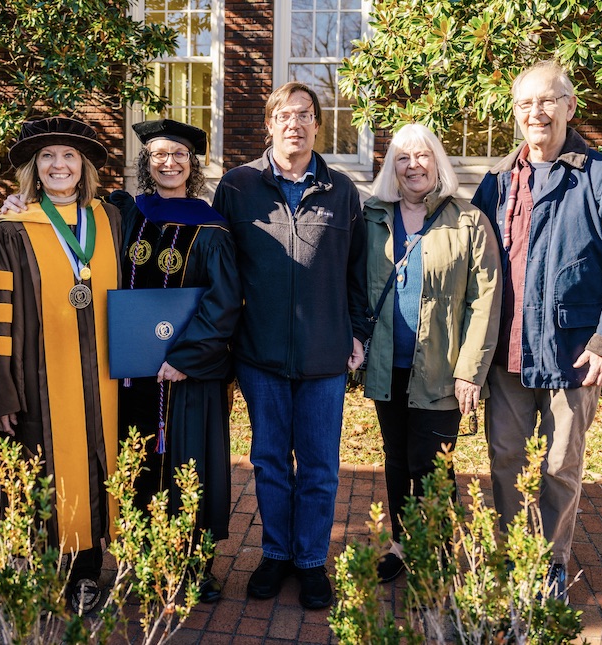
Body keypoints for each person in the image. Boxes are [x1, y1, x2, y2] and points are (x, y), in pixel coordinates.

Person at [471, 60, 602, 599]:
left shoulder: (601, 175)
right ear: (515, 114)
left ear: (570, 107)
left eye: (547, 101)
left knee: (561, 465)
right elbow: (474, 267)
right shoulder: (497, 182)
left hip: (573, 353)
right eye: (525, 104)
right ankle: (511, 561)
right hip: (508, 353)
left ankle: (549, 567)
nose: (536, 112)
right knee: (505, 460)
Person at [0, 116, 124, 616]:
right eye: (47, 156)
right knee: (43, 470)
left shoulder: (111, 219)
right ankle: (43, 575)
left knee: (98, 469)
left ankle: (88, 574)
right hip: (39, 383)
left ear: (84, 166)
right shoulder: (9, 231)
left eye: (69, 156)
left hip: (107, 382)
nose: (59, 164)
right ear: (34, 169)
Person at [211, 81, 369, 610]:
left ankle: (309, 561)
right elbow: (218, 266)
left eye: (304, 114)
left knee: (321, 466)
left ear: (318, 126)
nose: (294, 124)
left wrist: (358, 333)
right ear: (269, 124)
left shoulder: (343, 191)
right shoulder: (237, 187)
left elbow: (359, 275)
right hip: (259, 356)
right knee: (270, 461)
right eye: (284, 114)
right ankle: (276, 553)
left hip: (324, 358)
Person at [107, 118, 241, 604]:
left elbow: (224, 301)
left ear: (192, 164)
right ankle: (142, 557)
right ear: (146, 163)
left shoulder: (210, 226)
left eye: (178, 155)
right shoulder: (125, 214)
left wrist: (184, 356)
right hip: (133, 373)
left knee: (192, 462)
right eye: (159, 155)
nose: (168, 162)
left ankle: (194, 564)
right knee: (138, 460)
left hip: (189, 374)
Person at [360, 123, 502, 583]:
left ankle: (437, 553)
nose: (412, 165)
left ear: (438, 163)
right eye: (402, 157)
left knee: (433, 463)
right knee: (398, 460)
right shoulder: (372, 216)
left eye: (422, 156)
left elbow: (484, 300)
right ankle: (402, 545)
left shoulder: (467, 220)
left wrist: (470, 372)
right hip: (387, 367)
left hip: (442, 370)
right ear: (391, 167)